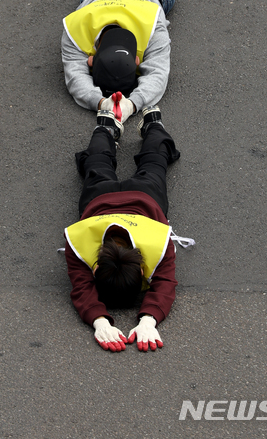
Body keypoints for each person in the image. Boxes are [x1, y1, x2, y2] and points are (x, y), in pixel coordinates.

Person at [65, 105, 183, 352]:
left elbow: (165, 283)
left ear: (141, 271)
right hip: (99, 199)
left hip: (146, 197)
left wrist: (101, 321)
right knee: (96, 167)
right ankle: (105, 127)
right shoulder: (79, 245)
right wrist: (147, 320)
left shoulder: (158, 244)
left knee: (154, 165)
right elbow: (82, 285)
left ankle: (153, 125)